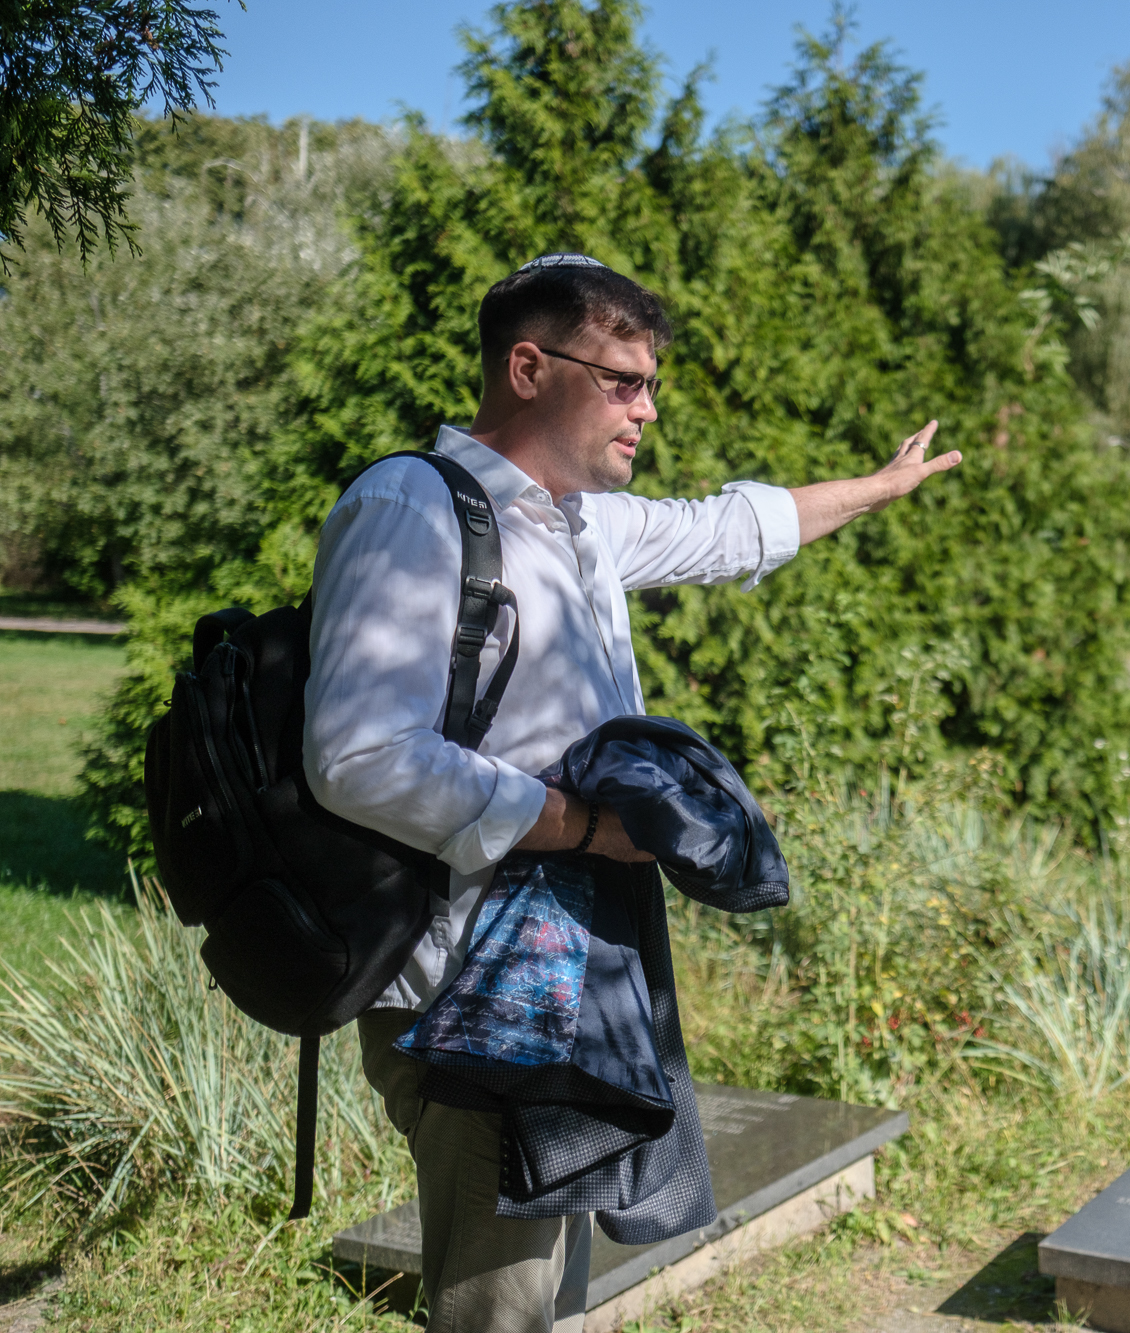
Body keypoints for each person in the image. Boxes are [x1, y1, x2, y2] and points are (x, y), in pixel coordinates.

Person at [303, 253, 961, 1333]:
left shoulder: (579, 525)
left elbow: (733, 527)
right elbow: (361, 753)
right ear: (527, 366)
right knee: (496, 1307)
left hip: (567, 966)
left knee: (546, 1293)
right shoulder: (409, 507)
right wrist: (583, 826)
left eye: (649, 383)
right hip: (471, 986)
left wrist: (880, 488)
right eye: (622, 380)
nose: (646, 408)